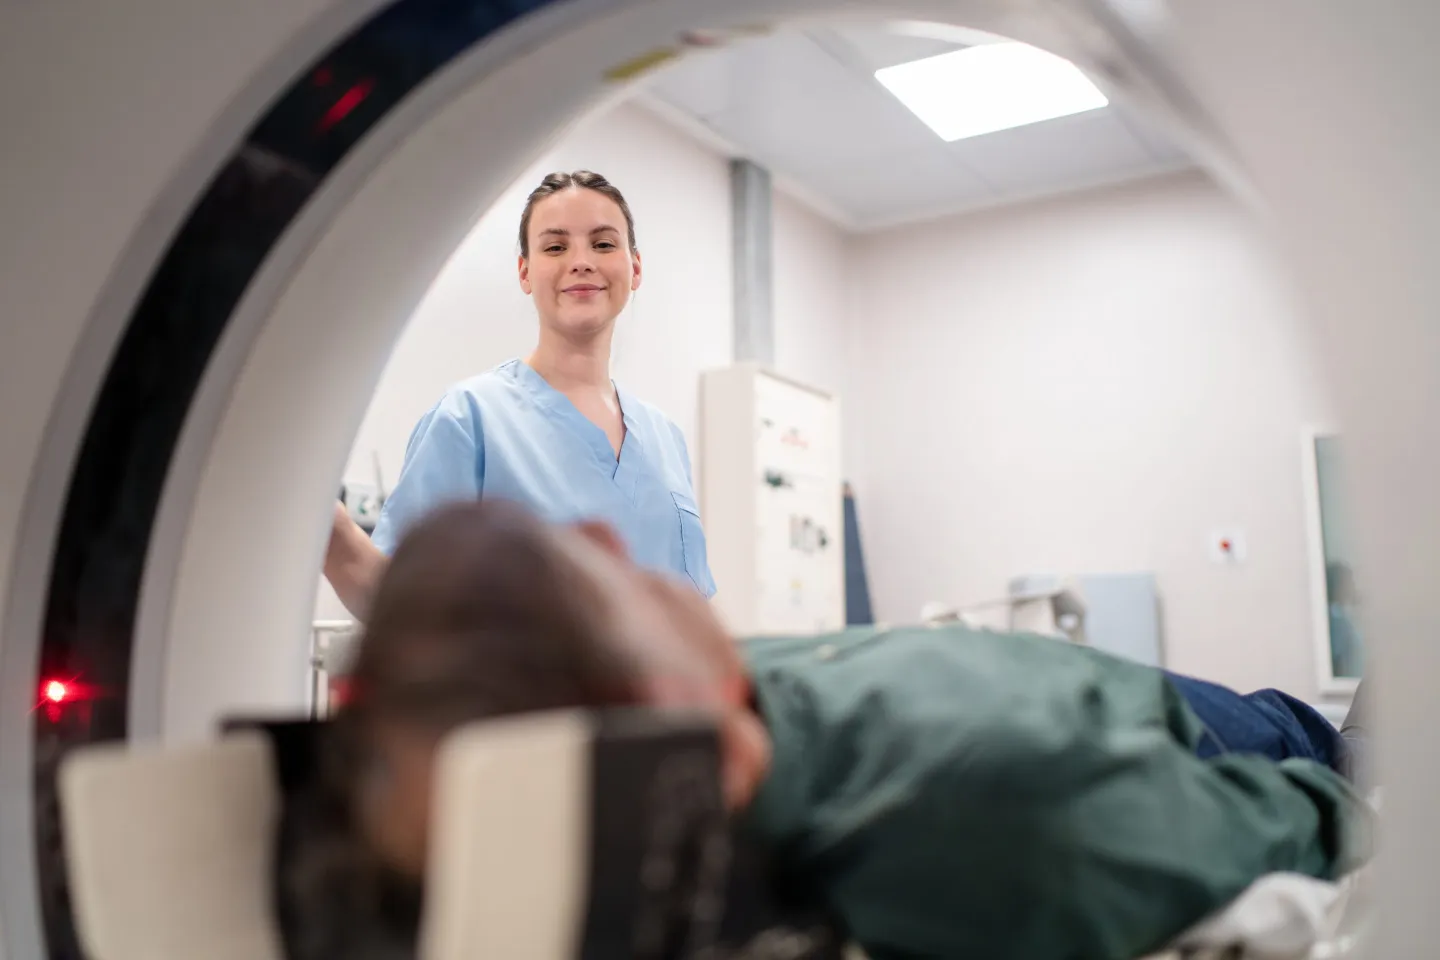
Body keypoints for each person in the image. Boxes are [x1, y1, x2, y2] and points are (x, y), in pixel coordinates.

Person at [292, 500, 1372, 960]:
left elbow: (1333, 810)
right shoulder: (993, 828)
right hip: (1271, 750)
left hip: (1266, 726)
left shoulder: (683, 686)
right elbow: (1331, 816)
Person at [323, 170, 714, 619]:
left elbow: (691, 609)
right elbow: (401, 602)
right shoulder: (472, 419)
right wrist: (329, 532)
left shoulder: (665, 438)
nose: (581, 261)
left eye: (603, 244)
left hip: (662, 689)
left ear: (635, 268)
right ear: (525, 271)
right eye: (555, 246)